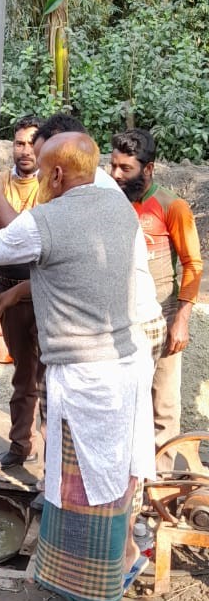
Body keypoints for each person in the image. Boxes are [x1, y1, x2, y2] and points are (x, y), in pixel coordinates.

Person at [0, 133, 155, 601]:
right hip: (121, 367)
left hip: (87, 379)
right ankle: (105, 576)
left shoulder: (48, 220)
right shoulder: (116, 205)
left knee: (87, 497)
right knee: (113, 485)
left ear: (54, 176)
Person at [111, 129, 203, 453]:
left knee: (162, 406)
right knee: (121, 404)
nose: (115, 175)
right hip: (120, 320)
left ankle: (159, 485)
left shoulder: (171, 207)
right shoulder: (111, 203)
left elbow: (193, 265)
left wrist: (181, 319)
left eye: (126, 168)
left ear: (148, 169)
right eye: (113, 166)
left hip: (162, 320)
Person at [0, 115, 42, 472]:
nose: (24, 151)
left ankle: (39, 450)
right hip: (7, 291)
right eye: (18, 143)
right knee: (24, 375)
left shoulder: (52, 189)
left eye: (30, 144)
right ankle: (22, 444)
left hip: (43, 293)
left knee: (44, 378)